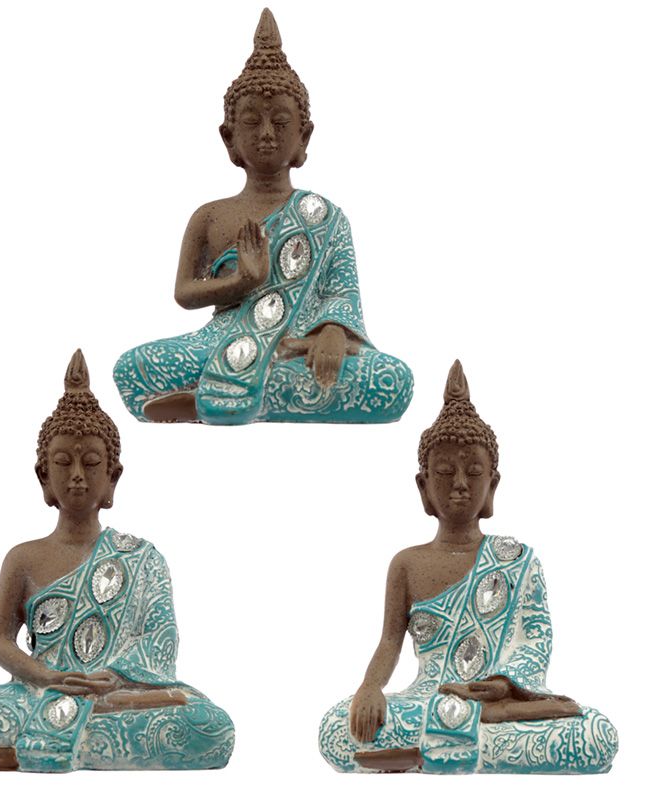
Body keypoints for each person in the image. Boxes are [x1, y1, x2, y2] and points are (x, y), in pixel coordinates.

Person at [0, 350, 234, 771]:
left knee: (210, 726)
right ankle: (76, 741)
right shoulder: (23, 558)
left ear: (112, 477)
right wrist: (45, 677)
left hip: (114, 695)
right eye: (62, 463)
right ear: (43, 476)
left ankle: (32, 746)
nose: (76, 474)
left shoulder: (142, 557)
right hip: (39, 691)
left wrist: (114, 678)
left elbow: (161, 639)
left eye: (91, 463)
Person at [113, 9, 412, 424]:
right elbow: (184, 292)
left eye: (281, 122)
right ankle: (248, 392)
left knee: (392, 380)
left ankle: (209, 399)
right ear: (229, 138)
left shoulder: (325, 217)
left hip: (296, 347)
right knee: (132, 369)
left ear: (304, 137)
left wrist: (331, 333)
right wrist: (241, 283)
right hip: (217, 341)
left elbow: (341, 297)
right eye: (252, 122)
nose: (267, 133)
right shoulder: (210, 216)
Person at [318, 361, 618, 773]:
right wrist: (370, 687)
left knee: (594, 733)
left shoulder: (517, 560)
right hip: (429, 698)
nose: (460, 483)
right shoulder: (406, 563)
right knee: (338, 728)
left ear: (492, 485)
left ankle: (433, 750)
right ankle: (475, 740)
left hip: (496, 702)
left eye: (474, 472)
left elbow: (536, 640)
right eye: (444, 472)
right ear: (424, 486)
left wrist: (501, 686)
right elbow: (389, 642)